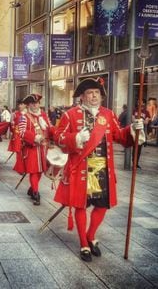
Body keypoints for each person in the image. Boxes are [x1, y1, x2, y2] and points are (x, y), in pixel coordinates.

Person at [53, 77, 144, 262]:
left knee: (102, 206)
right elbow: (59, 137)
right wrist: (76, 137)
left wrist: (134, 129)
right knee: (80, 206)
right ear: (82, 97)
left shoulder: (108, 114)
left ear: (101, 96)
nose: (93, 96)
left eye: (96, 93)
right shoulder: (70, 115)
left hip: (103, 170)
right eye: (89, 93)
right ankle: (84, 244)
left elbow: (120, 136)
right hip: (80, 170)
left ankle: (90, 234)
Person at [19, 94, 54, 205]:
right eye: (33, 103)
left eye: (37, 103)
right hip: (32, 148)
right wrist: (34, 137)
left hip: (44, 148)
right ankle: (35, 192)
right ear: (29, 105)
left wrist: (58, 136)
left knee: (40, 171)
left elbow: (50, 127)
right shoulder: (24, 116)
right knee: (34, 171)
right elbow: (21, 132)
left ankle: (32, 188)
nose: (35, 105)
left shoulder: (44, 115)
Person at [132, 99, 150, 169]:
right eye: (138, 101)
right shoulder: (134, 110)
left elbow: (146, 122)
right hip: (134, 131)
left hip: (141, 132)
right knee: (134, 147)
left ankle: (136, 163)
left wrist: (142, 121)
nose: (139, 102)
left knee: (139, 148)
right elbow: (132, 119)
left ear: (144, 103)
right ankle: (134, 162)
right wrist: (138, 121)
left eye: (141, 102)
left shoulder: (146, 112)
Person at [10, 99, 26, 174]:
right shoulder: (15, 114)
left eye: (21, 104)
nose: (20, 106)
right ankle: (20, 168)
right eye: (19, 104)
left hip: (26, 135)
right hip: (17, 135)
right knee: (19, 152)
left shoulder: (28, 114)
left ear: (25, 105)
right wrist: (13, 131)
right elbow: (12, 125)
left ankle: (23, 166)